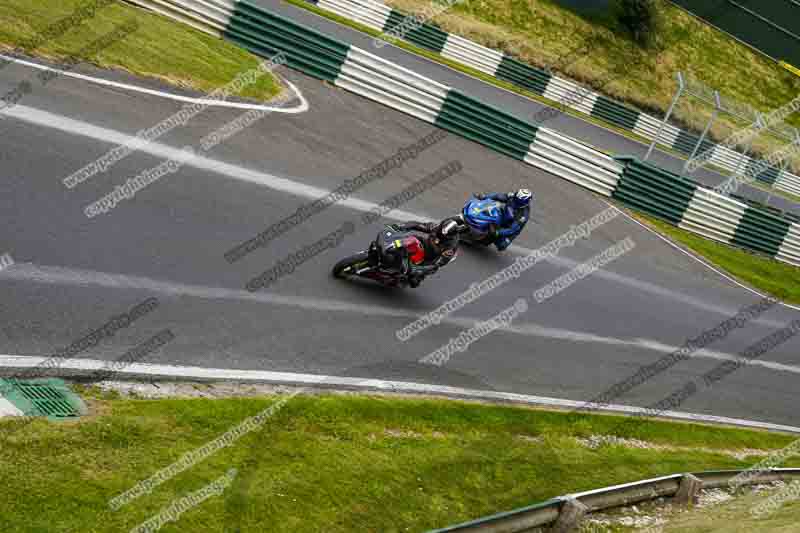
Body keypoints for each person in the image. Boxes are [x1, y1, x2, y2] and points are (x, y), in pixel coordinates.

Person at [374, 216, 464, 288]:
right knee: (410, 239)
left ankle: (407, 277)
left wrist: (420, 271)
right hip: (426, 244)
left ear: (449, 237)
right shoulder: (438, 228)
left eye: (442, 235)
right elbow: (417, 225)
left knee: (414, 280)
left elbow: (437, 264)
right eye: (439, 231)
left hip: (431, 257)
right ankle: (390, 248)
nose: (439, 234)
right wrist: (401, 226)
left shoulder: (451, 247)